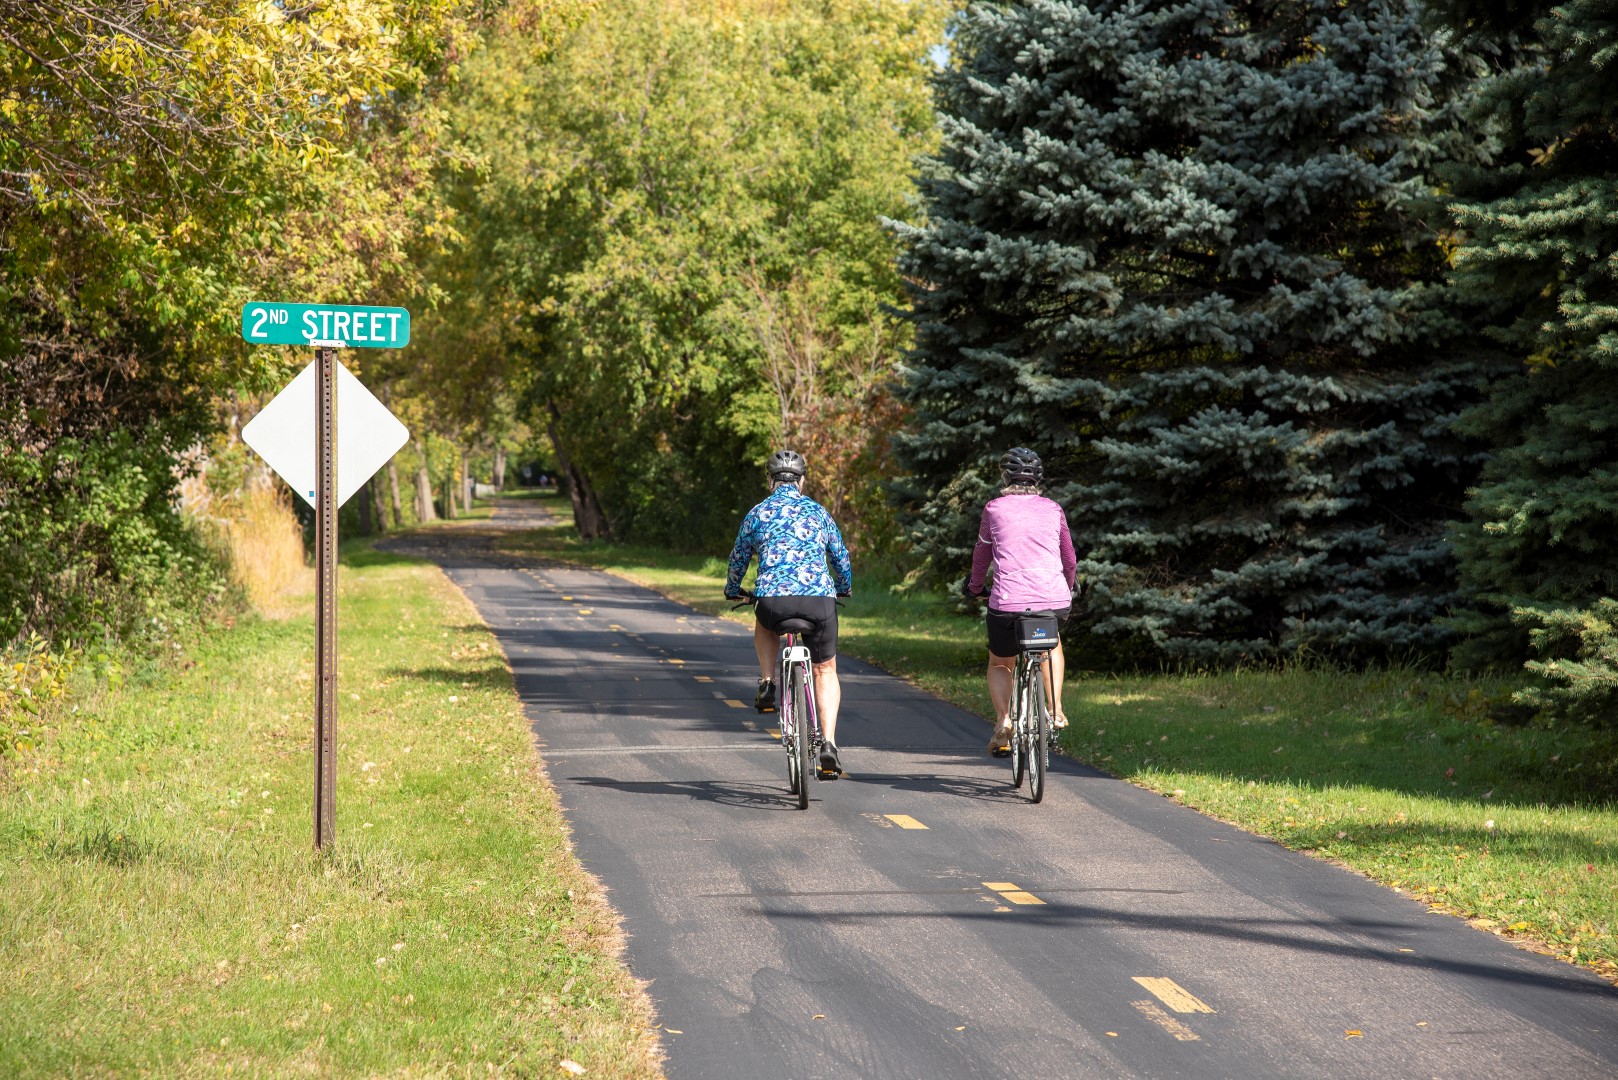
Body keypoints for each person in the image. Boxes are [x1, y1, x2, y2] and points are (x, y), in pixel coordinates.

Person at [724, 450, 854, 777]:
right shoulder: (819, 512)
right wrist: (844, 586)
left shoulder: (758, 513)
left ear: (770, 480)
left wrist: (733, 588)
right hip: (818, 603)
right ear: (802, 480)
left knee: (763, 620)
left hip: (773, 602)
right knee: (825, 670)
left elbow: (738, 557)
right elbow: (840, 557)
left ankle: (768, 683)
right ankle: (828, 743)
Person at [965, 447, 1076, 756]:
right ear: (1039, 479)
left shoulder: (994, 509)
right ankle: (1055, 711)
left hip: (1007, 604)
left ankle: (1003, 720)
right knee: (1052, 645)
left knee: (1001, 661)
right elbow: (1069, 559)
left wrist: (975, 587)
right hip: (1053, 600)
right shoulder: (1053, 509)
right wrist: (1065, 587)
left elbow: (981, 556)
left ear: (1005, 477)